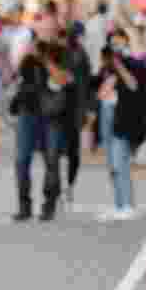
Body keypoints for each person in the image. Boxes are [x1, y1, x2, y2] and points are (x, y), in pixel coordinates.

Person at [9, 39, 72, 222]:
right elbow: (14, 76)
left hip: (50, 116)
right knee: (21, 160)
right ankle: (24, 206)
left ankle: (49, 205)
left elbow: (62, 79)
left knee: (51, 161)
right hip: (26, 113)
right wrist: (26, 54)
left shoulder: (60, 54)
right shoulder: (28, 58)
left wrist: (46, 60)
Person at [95, 30, 146, 221]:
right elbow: (99, 92)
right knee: (112, 163)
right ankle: (120, 204)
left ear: (126, 43)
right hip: (106, 114)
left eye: (120, 42)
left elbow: (134, 86)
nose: (116, 46)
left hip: (122, 116)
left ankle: (127, 205)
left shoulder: (133, 64)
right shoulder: (106, 66)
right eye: (113, 43)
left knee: (121, 162)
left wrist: (119, 67)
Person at [58, 23, 92, 205]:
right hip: (58, 108)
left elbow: (87, 84)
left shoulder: (83, 55)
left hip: (76, 110)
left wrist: (89, 108)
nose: (80, 38)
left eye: (82, 35)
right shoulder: (60, 52)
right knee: (56, 150)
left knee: (73, 153)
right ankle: (57, 187)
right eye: (79, 35)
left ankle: (69, 185)